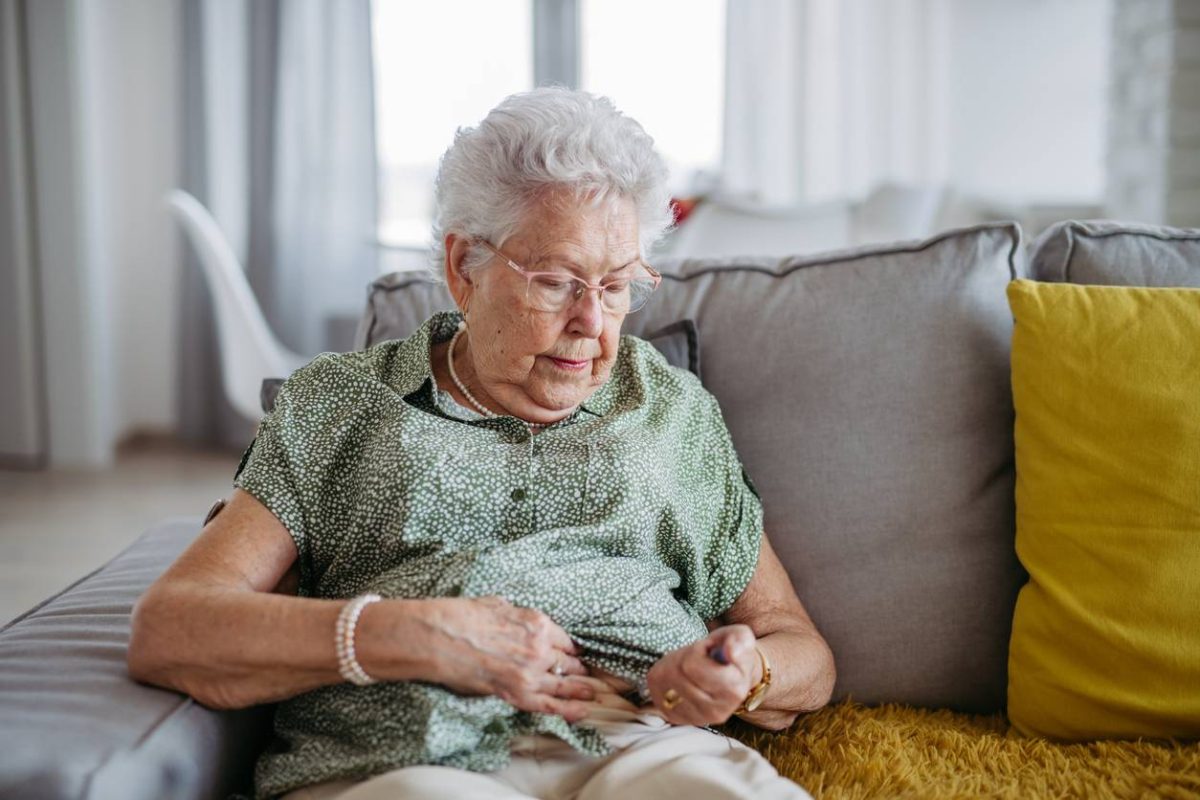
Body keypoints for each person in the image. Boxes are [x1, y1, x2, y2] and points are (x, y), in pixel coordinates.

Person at [128, 87, 835, 800]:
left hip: (644, 743)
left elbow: (799, 644)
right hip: (405, 755)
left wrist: (749, 673)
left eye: (617, 286)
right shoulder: (342, 405)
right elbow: (172, 625)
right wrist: (418, 636)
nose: (593, 321)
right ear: (464, 266)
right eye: (557, 282)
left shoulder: (672, 412)